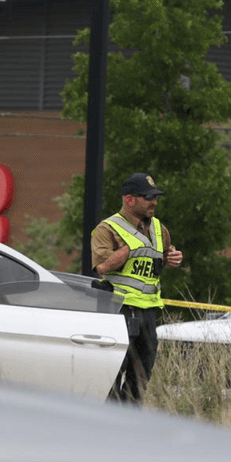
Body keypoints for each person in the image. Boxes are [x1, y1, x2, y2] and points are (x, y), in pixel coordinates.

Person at [91, 172, 184, 403]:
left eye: (156, 197)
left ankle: (130, 418)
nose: (154, 202)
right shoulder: (107, 228)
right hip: (119, 310)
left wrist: (172, 258)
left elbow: (163, 254)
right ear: (129, 199)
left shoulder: (159, 228)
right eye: (148, 197)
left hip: (149, 312)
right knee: (112, 374)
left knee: (141, 376)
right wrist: (128, 250)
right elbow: (101, 266)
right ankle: (107, 418)